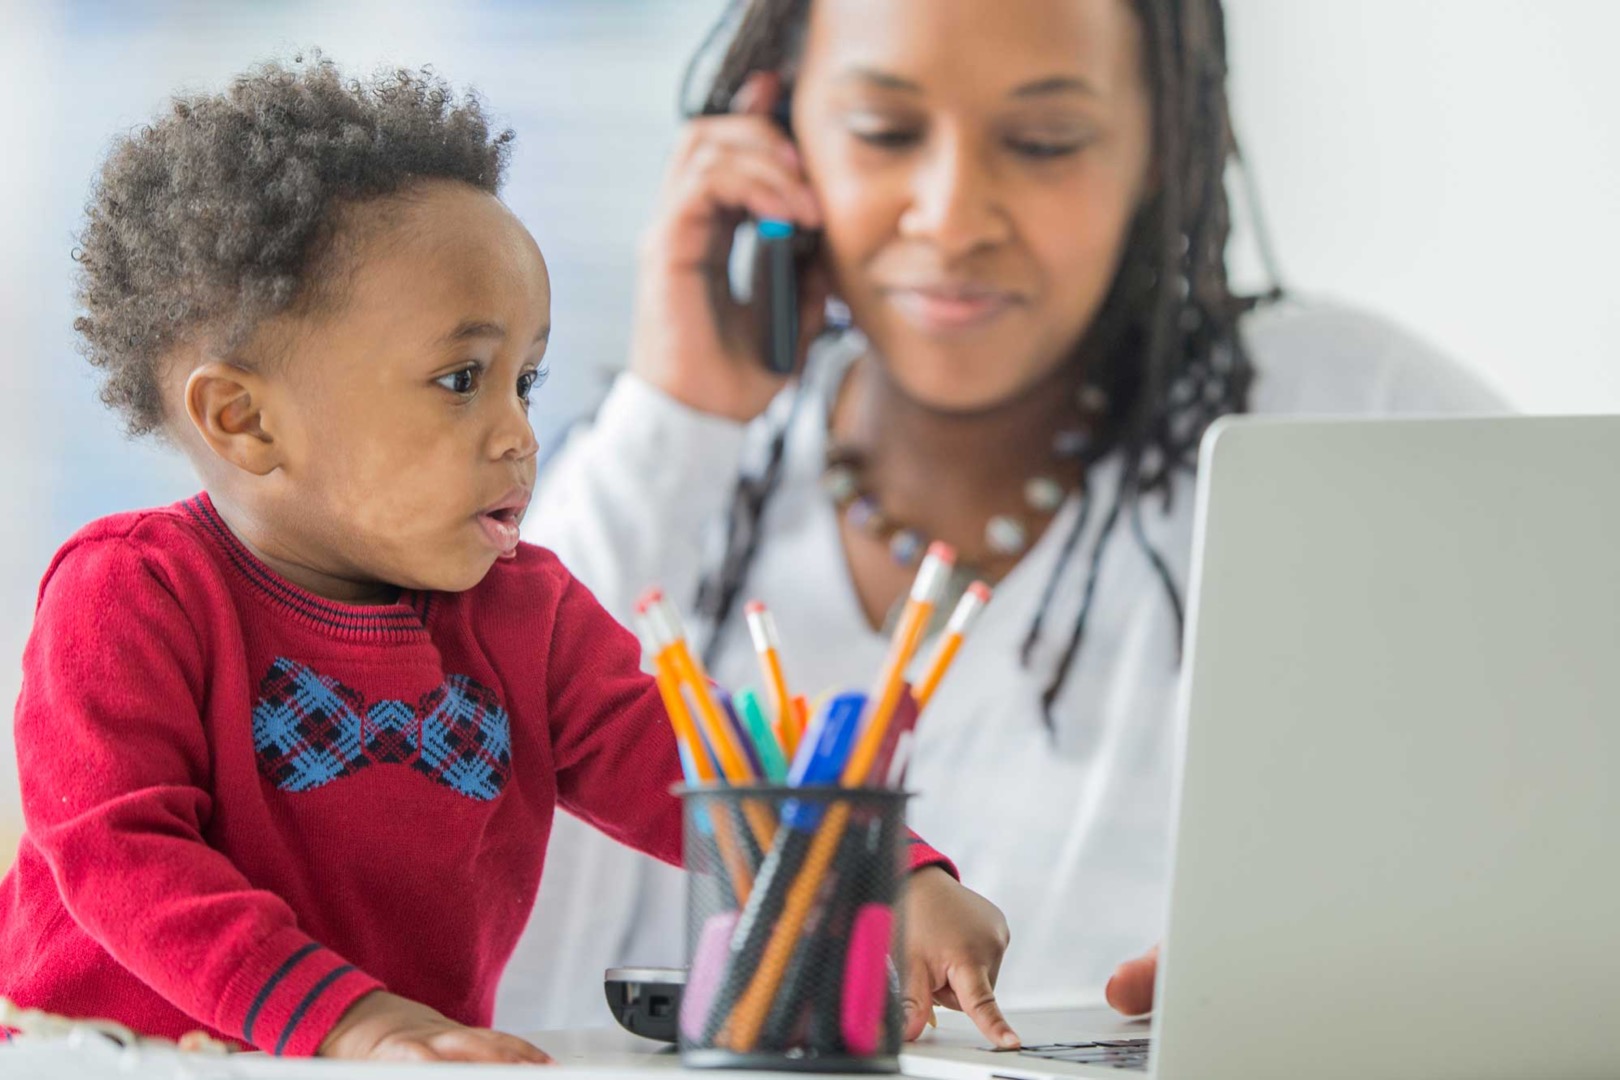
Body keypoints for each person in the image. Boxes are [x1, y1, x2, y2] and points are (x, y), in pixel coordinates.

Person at [505, 0, 1504, 1029]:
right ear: (778, 131)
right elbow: (493, 972)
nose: (952, 215)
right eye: (885, 132)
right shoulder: (674, 472)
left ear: (1160, 142)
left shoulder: (1347, 416)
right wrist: (677, 419)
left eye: (1044, 142)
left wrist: (1366, 981)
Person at [0, 54, 1018, 1060]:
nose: (518, 434)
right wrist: (353, 1024)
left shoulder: (522, 612)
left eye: (524, 381)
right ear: (244, 419)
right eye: (461, 379)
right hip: (93, 1056)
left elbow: (694, 756)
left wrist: (888, 872)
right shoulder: (128, 596)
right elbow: (125, 860)